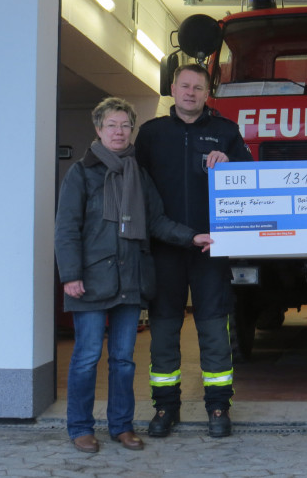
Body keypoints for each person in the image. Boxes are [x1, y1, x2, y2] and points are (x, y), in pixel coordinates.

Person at [55, 97, 213, 453]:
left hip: (130, 279)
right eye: (112, 125)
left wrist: (191, 237)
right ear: (98, 130)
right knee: (86, 357)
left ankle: (121, 426)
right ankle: (80, 427)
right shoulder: (81, 173)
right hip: (90, 280)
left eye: (126, 125)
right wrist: (70, 274)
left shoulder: (138, 175)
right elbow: (66, 228)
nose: (119, 131)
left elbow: (156, 221)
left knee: (124, 360)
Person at [134, 64, 253, 438]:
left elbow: (251, 182)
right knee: (165, 330)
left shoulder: (225, 131)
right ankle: (165, 408)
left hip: (212, 250)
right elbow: (138, 194)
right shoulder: (151, 134)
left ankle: (218, 407)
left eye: (198, 87)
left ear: (207, 93)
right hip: (165, 249)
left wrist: (231, 165)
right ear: (173, 88)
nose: (190, 93)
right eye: (184, 86)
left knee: (215, 330)